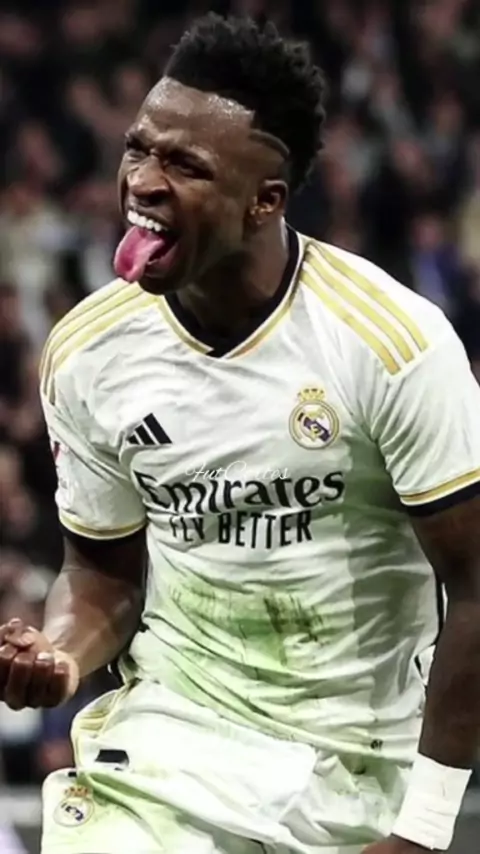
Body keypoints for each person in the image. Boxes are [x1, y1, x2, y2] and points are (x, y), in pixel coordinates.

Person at [0, 13, 480, 854]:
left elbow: (476, 582)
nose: (143, 182)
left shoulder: (391, 344)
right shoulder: (87, 352)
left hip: (349, 769)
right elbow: (102, 570)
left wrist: (425, 828)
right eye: (138, 149)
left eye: (185, 165)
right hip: (166, 753)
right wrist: (65, 652)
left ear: (266, 201)